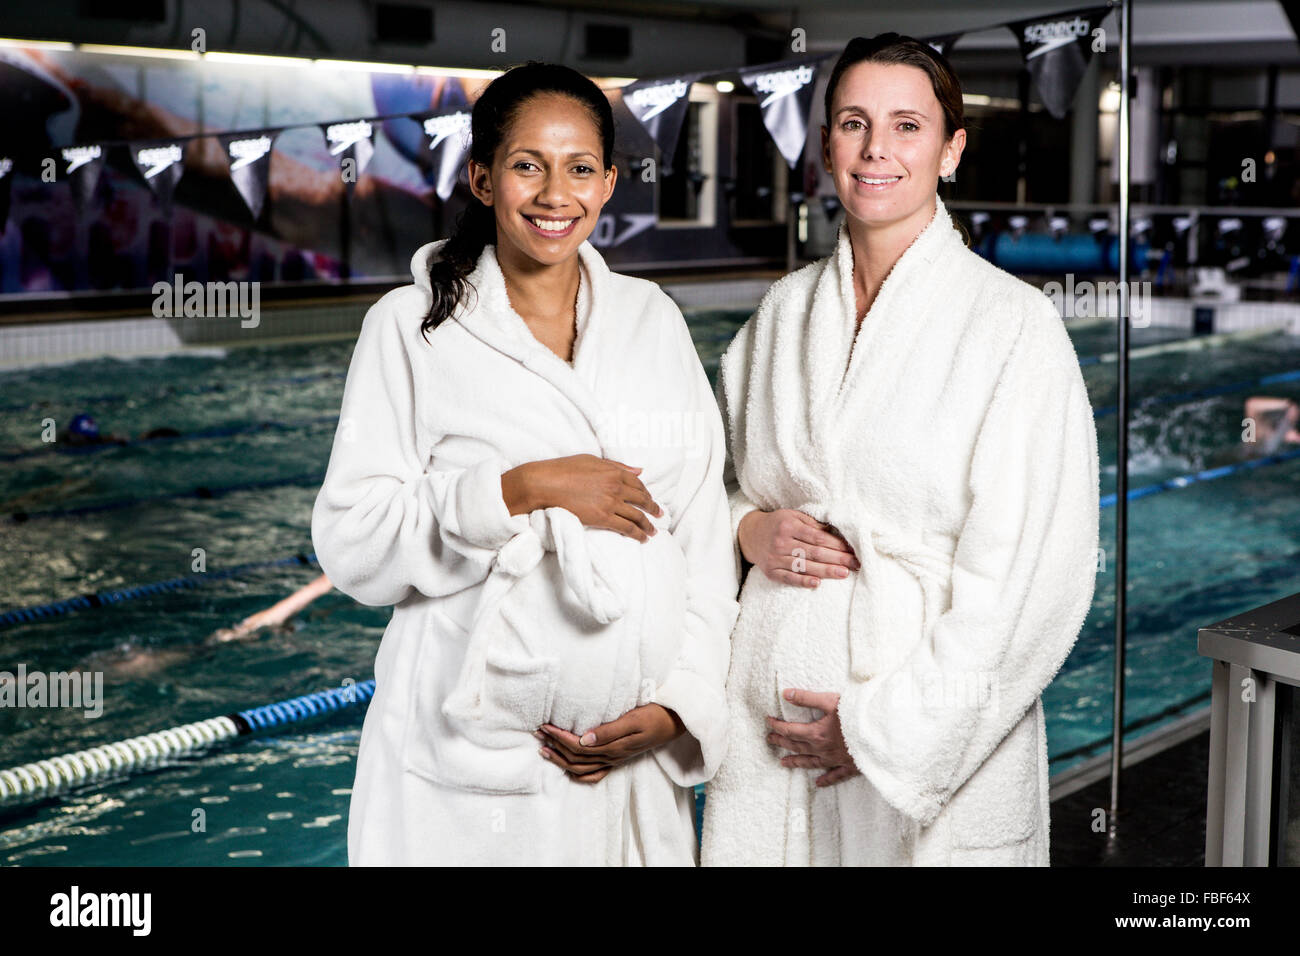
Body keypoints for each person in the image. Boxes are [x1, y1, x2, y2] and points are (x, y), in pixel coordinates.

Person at [311, 62, 739, 865]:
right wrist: (520, 489)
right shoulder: (412, 329)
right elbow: (353, 545)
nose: (554, 195)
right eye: (526, 165)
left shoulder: (652, 321)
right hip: (474, 773)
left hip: (633, 772)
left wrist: (682, 705)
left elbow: (703, 543)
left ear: (609, 182)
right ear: (481, 177)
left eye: (580, 168)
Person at [700, 33, 1100, 866]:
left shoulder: (1012, 327)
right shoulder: (782, 312)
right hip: (770, 731)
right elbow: (715, 485)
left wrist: (885, 734)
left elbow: (1031, 587)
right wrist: (746, 530)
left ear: (951, 150)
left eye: (907, 126)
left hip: (925, 734)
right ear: (827, 147)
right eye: (854, 123)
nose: (877, 148)